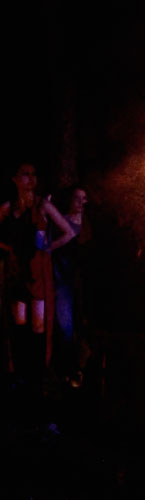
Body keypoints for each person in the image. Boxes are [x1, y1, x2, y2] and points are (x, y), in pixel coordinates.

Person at [0, 162, 75, 392]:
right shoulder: (8, 208)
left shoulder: (43, 205)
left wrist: (49, 248)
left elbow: (69, 232)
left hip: (37, 274)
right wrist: (8, 250)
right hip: (17, 273)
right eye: (25, 174)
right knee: (19, 325)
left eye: (34, 174)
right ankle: (20, 375)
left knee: (38, 326)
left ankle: (37, 376)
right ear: (15, 179)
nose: (31, 179)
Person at [51, 185, 92, 388]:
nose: (81, 202)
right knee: (65, 327)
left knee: (82, 326)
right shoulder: (62, 222)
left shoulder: (88, 225)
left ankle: (79, 370)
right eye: (77, 198)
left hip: (83, 283)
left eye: (84, 198)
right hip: (64, 282)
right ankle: (65, 372)